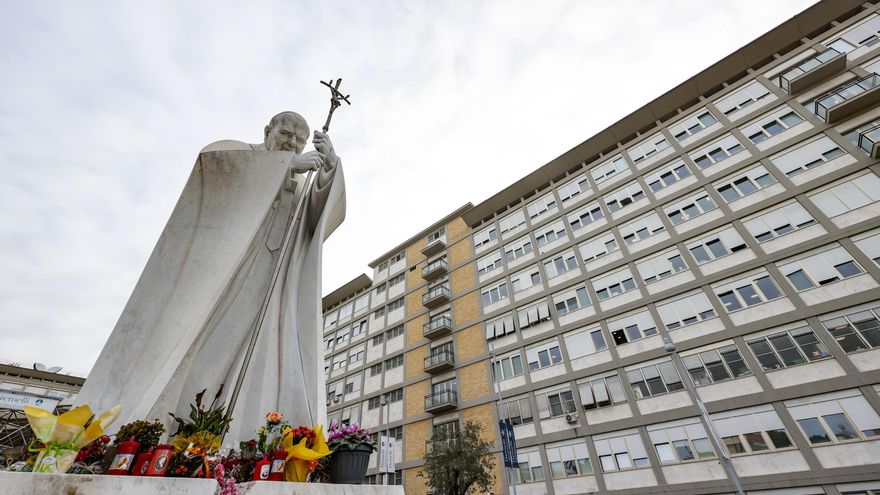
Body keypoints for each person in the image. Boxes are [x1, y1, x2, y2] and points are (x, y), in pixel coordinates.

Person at [76, 111, 345, 443]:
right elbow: (213, 170)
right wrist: (285, 167)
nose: (291, 142)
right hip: (225, 276)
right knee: (203, 351)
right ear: (267, 131)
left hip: (269, 286)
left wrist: (329, 170)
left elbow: (317, 221)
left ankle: (230, 438)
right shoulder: (240, 155)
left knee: (254, 358)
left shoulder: (301, 180)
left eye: (299, 139)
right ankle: (162, 431)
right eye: (286, 133)